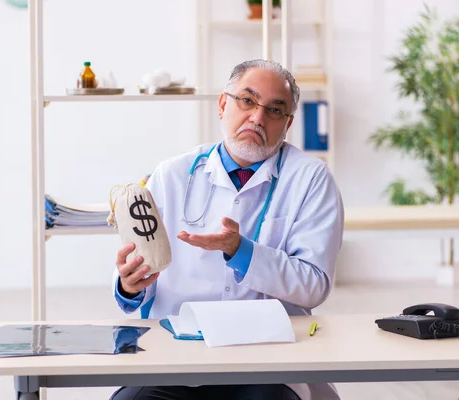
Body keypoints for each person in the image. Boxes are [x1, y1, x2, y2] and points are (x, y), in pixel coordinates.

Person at [110, 59, 345, 400]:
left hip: (266, 360)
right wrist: (129, 285)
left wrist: (242, 251)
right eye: (247, 101)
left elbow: (314, 286)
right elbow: (136, 274)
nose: (258, 117)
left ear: (288, 123)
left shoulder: (311, 179)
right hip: (177, 357)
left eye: (275, 110)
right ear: (223, 104)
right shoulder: (171, 175)